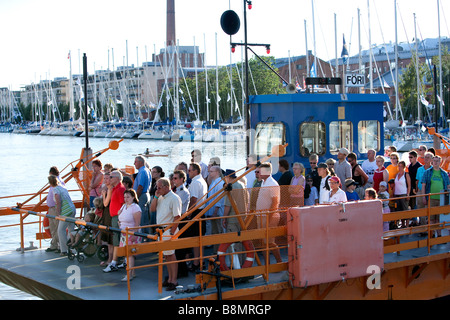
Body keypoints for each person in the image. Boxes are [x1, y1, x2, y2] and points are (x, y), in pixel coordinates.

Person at [103, 189, 141, 282]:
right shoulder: (124, 206)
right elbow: (120, 217)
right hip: (124, 233)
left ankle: (129, 275)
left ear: (133, 197)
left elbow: (137, 223)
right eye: (125, 197)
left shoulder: (135, 208)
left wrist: (134, 234)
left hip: (131, 233)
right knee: (126, 254)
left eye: (128, 197)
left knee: (130, 255)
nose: (126, 199)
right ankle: (132, 272)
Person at [151, 178, 182, 291]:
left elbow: (177, 217)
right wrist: (155, 196)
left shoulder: (174, 198)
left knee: (171, 255)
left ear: (166, 186)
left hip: (168, 230)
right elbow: (152, 209)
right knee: (166, 256)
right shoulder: (160, 197)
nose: (157, 189)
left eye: (159, 187)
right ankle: (169, 278)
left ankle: (174, 280)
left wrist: (172, 232)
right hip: (161, 230)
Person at [222, 169, 249, 267]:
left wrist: (224, 218)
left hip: (232, 219)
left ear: (228, 177)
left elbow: (227, 206)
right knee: (241, 244)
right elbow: (247, 201)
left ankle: (236, 267)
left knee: (233, 244)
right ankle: (243, 265)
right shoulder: (242, 185)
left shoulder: (230, 187)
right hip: (242, 218)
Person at [256, 162, 282, 263]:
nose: (258, 173)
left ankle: (279, 262)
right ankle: (267, 265)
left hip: (269, 217)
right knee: (263, 242)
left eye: (260, 171)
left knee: (270, 242)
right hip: (261, 216)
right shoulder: (264, 182)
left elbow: (275, 203)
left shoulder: (272, 184)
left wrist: (269, 218)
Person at [186, 162, 208, 271]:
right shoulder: (202, 181)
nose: (188, 172)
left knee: (195, 239)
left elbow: (193, 199)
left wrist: (189, 213)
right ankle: (201, 261)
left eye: (190, 170)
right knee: (200, 238)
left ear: (195, 171)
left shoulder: (195, 182)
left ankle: (196, 263)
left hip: (196, 212)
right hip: (202, 211)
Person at [421, 155, 450, 238]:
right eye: (434, 161)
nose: (436, 162)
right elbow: (423, 185)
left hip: (441, 199)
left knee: (439, 218)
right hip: (431, 198)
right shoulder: (427, 172)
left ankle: (439, 234)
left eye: (437, 161)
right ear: (432, 162)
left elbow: (448, 186)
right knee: (431, 218)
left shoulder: (444, 173)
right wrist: (424, 197)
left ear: (440, 162)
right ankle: (432, 234)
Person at [48, 175, 76, 256]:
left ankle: (64, 250)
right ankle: (72, 248)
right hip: (72, 209)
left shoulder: (55, 190)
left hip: (65, 212)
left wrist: (58, 213)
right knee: (71, 229)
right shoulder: (62, 187)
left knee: (61, 230)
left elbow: (58, 202)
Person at [172, 169, 190, 277]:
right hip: (177, 219)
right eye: (173, 178)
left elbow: (178, 207)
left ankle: (181, 271)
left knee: (179, 249)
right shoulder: (176, 190)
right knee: (176, 248)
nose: (173, 180)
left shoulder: (183, 191)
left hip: (181, 220)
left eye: (176, 178)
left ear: (182, 179)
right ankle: (179, 270)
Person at [45, 166, 65, 253]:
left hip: (54, 208)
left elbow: (58, 197)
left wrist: (58, 210)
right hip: (51, 208)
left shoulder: (57, 182)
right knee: (53, 227)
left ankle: (59, 245)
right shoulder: (54, 182)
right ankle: (54, 244)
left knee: (57, 227)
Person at [205, 166, 225, 252]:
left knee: (218, 231)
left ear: (217, 172)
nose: (210, 173)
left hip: (217, 213)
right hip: (212, 212)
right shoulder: (214, 182)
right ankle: (216, 249)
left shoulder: (220, 183)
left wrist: (215, 212)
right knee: (214, 232)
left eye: (211, 171)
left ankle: (219, 250)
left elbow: (219, 199)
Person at [133, 156, 151, 234]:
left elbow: (140, 186)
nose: (134, 163)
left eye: (135, 162)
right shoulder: (147, 170)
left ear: (141, 162)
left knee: (141, 216)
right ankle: (147, 235)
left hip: (142, 195)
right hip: (146, 194)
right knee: (145, 217)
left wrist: (135, 198)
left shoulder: (142, 171)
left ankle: (142, 235)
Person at [394, 161, 411, 228]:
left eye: (401, 166)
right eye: (399, 166)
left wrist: (408, 194)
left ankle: (407, 225)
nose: (400, 168)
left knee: (405, 209)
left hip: (403, 194)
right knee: (399, 210)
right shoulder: (397, 175)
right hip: (397, 194)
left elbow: (409, 185)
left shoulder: (406, 175)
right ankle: (402, 224)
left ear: (404, 167)